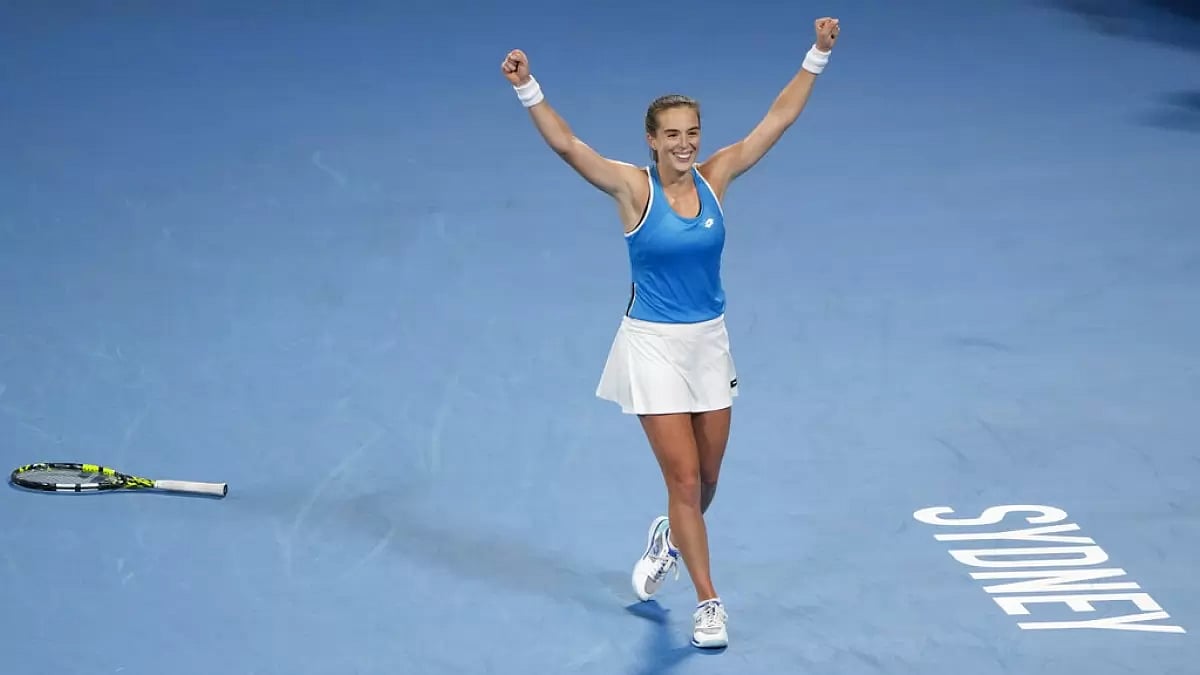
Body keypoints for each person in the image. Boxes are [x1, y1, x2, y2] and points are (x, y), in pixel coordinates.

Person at [501, 18, 840, 649]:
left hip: (709, 343)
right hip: (652, 347)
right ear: (652, 142)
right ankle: (709, 602)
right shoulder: (633, 189)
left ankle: (667, 537)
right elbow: (569, 146)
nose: (685, 145)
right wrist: (529, 88)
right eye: (673, 136)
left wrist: (817, 53)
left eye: (693, 134)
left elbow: (778, 120)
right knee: (684, 480)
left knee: (707, 480)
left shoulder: (717, 177)